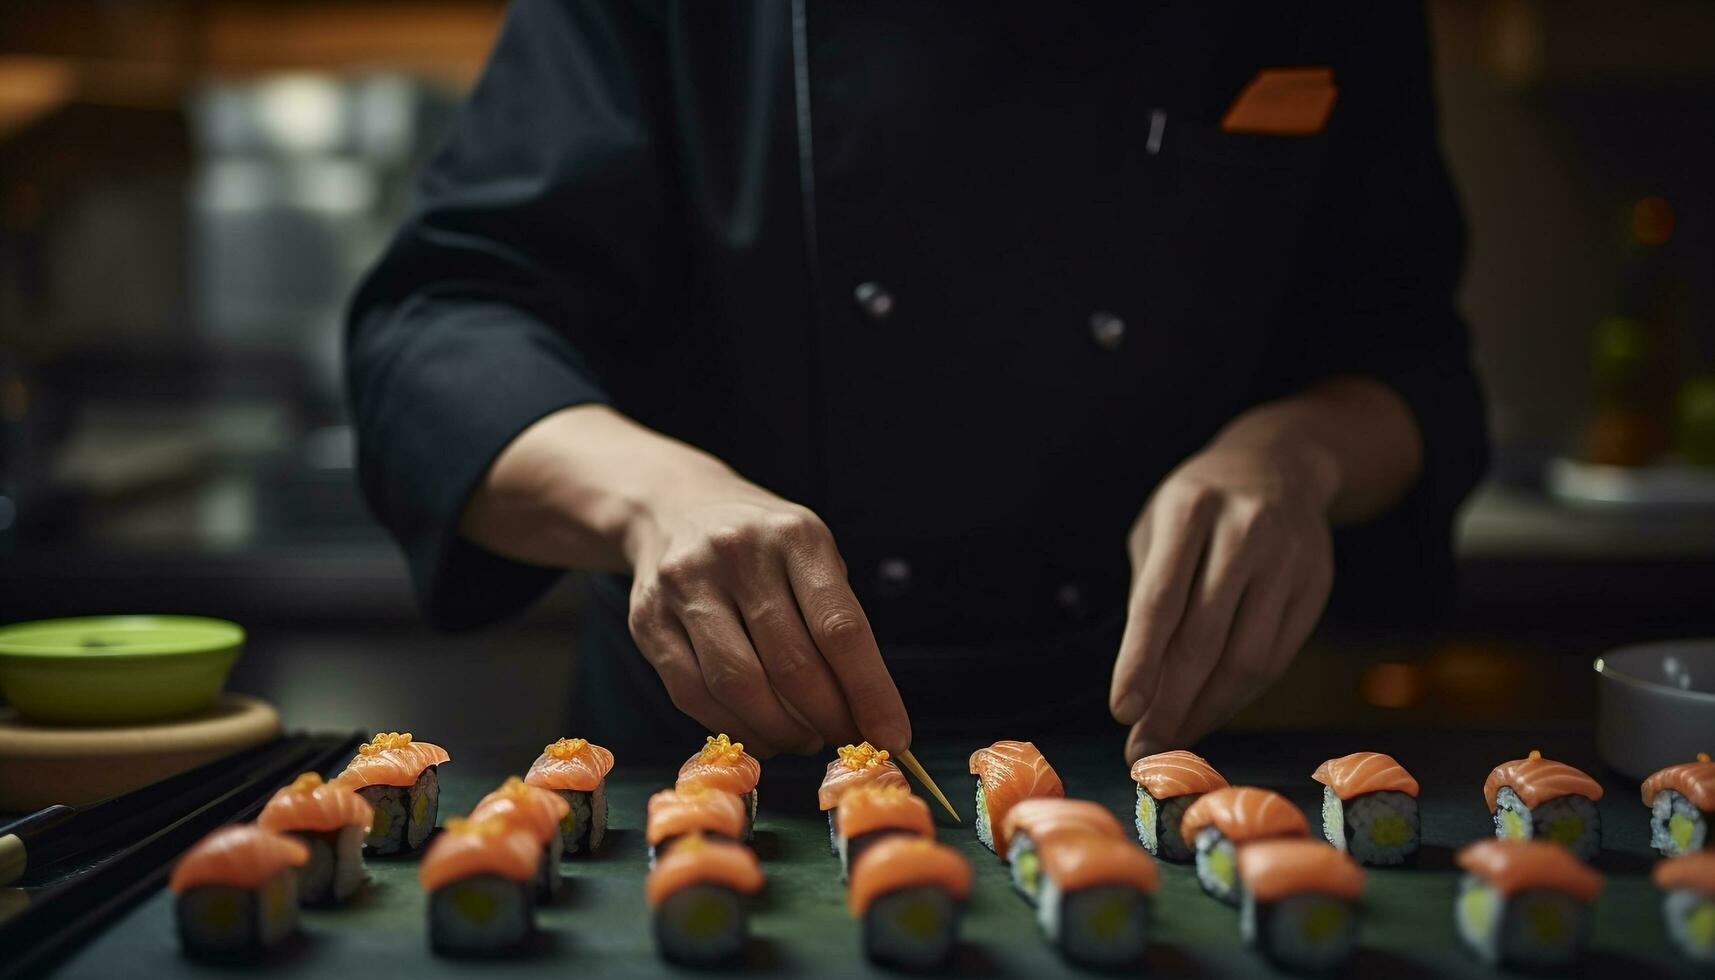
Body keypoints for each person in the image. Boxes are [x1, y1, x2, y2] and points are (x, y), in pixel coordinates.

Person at [346, 2, 1487, 762]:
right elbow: (440, 321)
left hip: (1166, 750)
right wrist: (653, 497)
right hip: (722, 755)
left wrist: (1297, 454)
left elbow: (1403, 351)